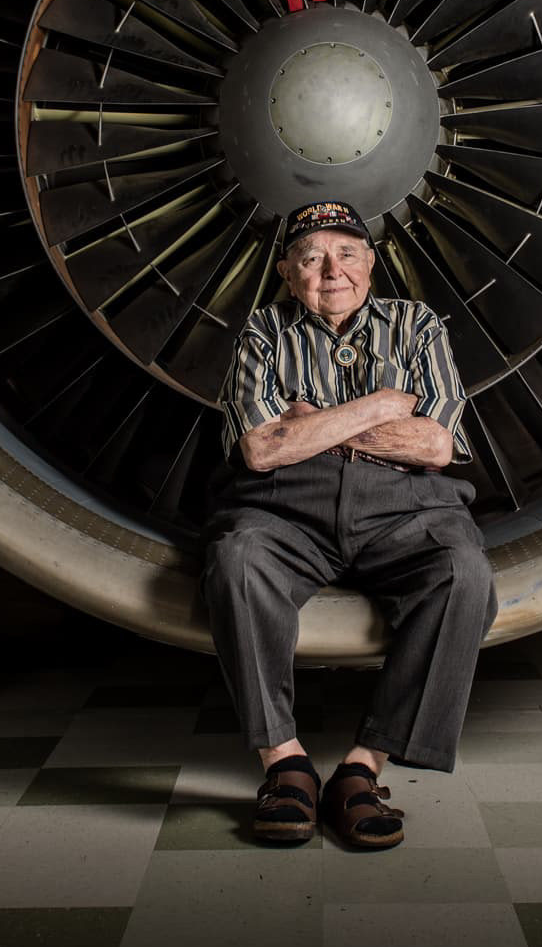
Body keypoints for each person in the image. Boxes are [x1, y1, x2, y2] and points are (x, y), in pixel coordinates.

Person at [201, 198, 498, 849]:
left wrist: (313, 424)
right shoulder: (262, 332)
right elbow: (261, 449)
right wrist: (383, 405)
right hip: (283, 507)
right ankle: (285, 764)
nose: (330, 270)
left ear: (370, 264)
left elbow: (436, 446)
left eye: (346, 254)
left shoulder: (417, 325)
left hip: (407, 505)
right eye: (310, 257)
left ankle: (363, 768)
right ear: (286, 272)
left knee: (464, 575)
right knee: (237, 562)